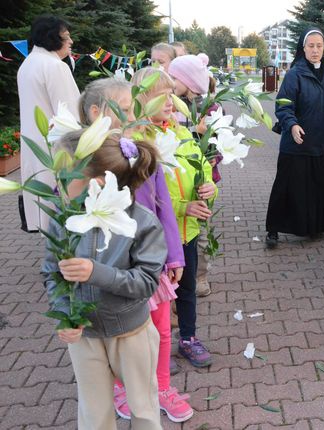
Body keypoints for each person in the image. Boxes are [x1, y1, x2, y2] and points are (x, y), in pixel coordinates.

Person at [78, 78, 193, 423]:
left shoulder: (140, 149)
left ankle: (160, 388)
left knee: (159, 329)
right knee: (114, 332)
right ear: (97, 113)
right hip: (107, 264)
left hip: (148, 262)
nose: (132, 116)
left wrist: (174, 255)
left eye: (131, 109)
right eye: (125, 110)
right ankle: (119, 388)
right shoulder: (79, 159)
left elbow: (163, 209)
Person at [43, 129, 166, 429]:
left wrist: (96, 273)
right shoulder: (63, 219)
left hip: (131, 334)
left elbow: (147, 283)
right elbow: (50, 273)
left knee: (144, 408)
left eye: (64, 175)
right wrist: (66, 316)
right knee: (93, 413)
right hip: (85, 336)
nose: (56, 184)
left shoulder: (142, 222)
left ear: (97, 183)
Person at [133, 67, 217, 368]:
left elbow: (201, 167)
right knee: (157, 294)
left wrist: (209, 188)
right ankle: (156, 347)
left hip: (187, 232)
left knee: (187, 289)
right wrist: (183, 207)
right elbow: (150, 195)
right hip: (157, 238)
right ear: (142, 100)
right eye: (161, 96)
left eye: (171, 94)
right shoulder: (140, 141)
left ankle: (188, 339)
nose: (170, 101)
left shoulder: (181, 131)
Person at [266, 27, 324, 248]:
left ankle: (314, 227)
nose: (315, 50)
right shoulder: (294, 74)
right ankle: (273, 229)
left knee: (315, 188)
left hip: (318, 143)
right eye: (311, 46)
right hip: (295, 143)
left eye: (319, 46)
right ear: (304, 48)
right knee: (286, 187)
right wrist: (292, 125)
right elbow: (283, 106)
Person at [17, 15, 80, 232]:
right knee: (62, 211)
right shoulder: (55, 66)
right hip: (56, 148)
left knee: (44, 211)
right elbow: (69, 115)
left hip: (36, 145)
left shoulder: (27, 63)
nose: (71, 41)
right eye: (67, 36)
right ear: (53, 37)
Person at [167, 54, 219, 298]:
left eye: (174, 77)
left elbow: (216, 145)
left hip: (202, 179)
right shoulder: (171, 104)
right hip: (176, 183)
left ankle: (200, 276)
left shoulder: (209, 106)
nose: (170, 81)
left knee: (200, 231)